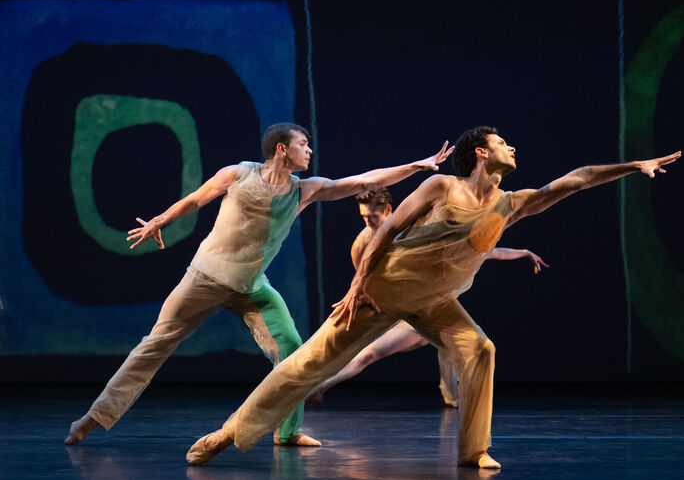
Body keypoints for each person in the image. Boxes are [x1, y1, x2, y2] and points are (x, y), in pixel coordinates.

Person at [186, 126, 681, 469]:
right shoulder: (441, 185)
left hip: (436, 302)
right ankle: (229, 432)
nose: (512, 147)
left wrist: (632, 166)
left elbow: (574, 179)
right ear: (481, 153)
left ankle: (474, 451)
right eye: (501, 141)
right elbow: (389, 231)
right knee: (303, 366)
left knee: (480, 349)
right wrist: (357, 286)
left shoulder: (512, 204)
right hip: (382, 293)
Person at [64, 122, 454, 447]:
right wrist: (159, 221)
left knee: (293, 349)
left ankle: (288, 431)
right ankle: (94, 417)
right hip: (205, 277)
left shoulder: (305, 189)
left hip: (252, 286)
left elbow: (361, 180)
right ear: (282, 149)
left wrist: (416, 166)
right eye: (304, 144)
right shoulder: (238, 173)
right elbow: (196, 199)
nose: (310, 151)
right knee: (155, 344)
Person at [307, 187, 546, 406]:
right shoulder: (362, 242)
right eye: (364, 218)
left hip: (424, 307)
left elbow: (488, 252)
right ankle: (318, 386)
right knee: (368, 351)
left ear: (389, 210)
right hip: (393, 307)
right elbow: (363, 281)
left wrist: (523, 252)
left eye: (373, 217)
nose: (369, 223)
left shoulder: (410, 230)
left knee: (456, 343)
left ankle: (453, 396)